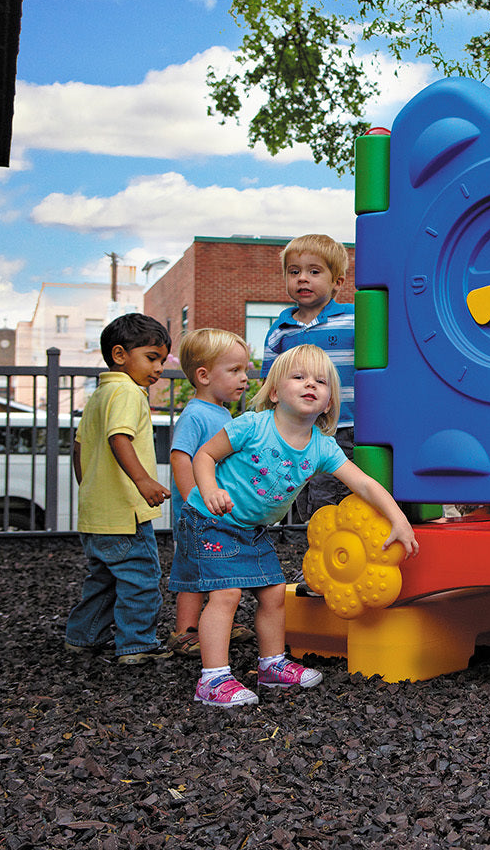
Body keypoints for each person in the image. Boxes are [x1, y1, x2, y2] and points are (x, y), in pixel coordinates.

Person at [181, 344, 420, 707]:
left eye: (321, 381)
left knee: (275, 593)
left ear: (328, 403)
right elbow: (205, 454)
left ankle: (272, 664)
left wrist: (399, 520)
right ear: (275, 392)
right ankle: (212, 679)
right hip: (210, 520)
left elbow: (366, 484)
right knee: (226, 594)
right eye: (299, 377)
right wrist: (209, 489)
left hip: (251, 529)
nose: (311, 384)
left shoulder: (322, 448)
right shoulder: (252, 426)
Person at [64, 313, 173, 664]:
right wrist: (142, 480)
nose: (158, 368)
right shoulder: (128, 392)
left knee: (105, 580)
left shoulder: (100, 394)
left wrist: (92, 490)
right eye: (151, 357)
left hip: (97, 513)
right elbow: (119, 437)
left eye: (161, 359)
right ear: (120, 354)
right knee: (141, 579)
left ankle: (82, 637)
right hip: (126, 514)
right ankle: (137, 645)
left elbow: (79, 447)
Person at [164, 328, 257, 657]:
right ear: (203, 376)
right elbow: (180, 457)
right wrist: (193, 501)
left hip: (217, 510)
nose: (244, 378)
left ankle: (219, 622)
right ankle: (185, 632)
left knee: (220, 567)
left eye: (244, 369)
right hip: (198, 514)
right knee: (192, 571)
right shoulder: (195, 415)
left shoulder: (219, 411)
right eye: (235, 371)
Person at [262, 234, 356, 523]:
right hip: (299, 430)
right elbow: (269, 385)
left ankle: (336, 556)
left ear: (337, 282)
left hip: (345, 427)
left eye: (314, 272)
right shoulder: (281, 330)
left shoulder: (353, 319)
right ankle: (315, 553)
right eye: (294, 272)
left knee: (334, 499)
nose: (303, 279)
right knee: (302, 498)